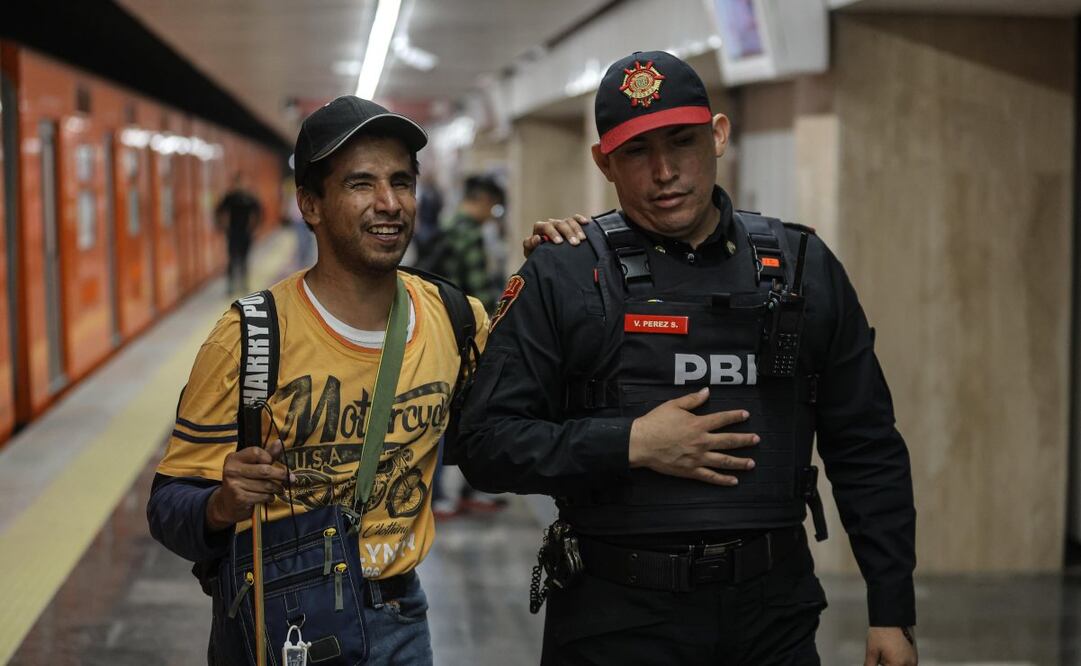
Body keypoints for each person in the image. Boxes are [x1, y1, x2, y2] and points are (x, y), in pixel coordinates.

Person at [456, 51, 918, 666]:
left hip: (772, 619)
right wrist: (632, 444)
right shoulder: (565, 272)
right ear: (604, 163)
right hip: (616, 622)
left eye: (683, 141)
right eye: (637, 152)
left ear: (719, 135)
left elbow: (866, 445)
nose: (665, 171)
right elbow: (485, 444)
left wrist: (892, 610)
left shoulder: (803, 268)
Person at [147, 95, 585, 665]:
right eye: (361, 184)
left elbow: (514, 430)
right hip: (282, 622)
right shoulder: (251, 338)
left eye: (402, 183)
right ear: (310, 204)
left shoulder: (456, 320)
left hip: (402, 617)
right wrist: (221, 505)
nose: (389, 204)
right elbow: (167, 505)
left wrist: (553, 283)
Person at [435, 174, 505, 311]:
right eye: (494, 207)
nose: (492, 215)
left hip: (440, 307)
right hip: (459, 313)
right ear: (485, 201)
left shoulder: (448, 223)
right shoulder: (471, 234)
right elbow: (480, 289)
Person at [216, 171, 263, 294]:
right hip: (232, 233)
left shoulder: (249, 198)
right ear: (234, 183)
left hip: (246, 233)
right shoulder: (230, 197)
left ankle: (244, 284)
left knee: (244, 259)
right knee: (232, 259)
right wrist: (222, 226)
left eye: (241, 182)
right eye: (238, 182)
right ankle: (231, 285)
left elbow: (259, 212)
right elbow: (219, 211)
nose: (240, 185)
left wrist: (256, 228)